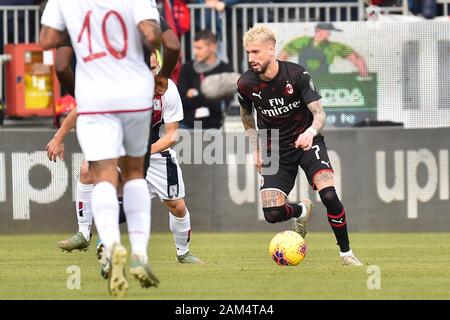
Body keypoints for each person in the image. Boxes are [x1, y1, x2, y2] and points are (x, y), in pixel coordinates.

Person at [40, 0, 162, 296]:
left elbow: (49, 45)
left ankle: (111, 244)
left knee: (100, 174)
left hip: (96, 98)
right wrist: (161, 71)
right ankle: (140, 255)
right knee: (134, 175)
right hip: (135, 95)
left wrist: (77, 26)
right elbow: (156, 37)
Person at [47, 51, 204, 277]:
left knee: (177, 206)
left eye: (151, 68)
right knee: (88, 171)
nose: (148, 74)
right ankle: (87, 236)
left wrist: (141, 153)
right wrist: (58, 137)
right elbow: (83, 106)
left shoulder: (167, 89)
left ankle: (183, 252)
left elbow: (171, 136)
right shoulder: (117, 84)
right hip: (119, 150)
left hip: (155, 152)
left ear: (158, 65)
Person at [237, 25, 363, 266]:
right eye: (248, 53)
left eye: (256, 52)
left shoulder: (296, 75)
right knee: (272, 214)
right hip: (274, 149)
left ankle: (346, 254)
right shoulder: (245, 84)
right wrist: (256, 149)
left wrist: (311, 132)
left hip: (307, 142)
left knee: (328, 194)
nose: (251, 58)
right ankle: (302, 211)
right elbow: (246, 117)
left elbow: (319, 113)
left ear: (271, 50)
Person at [178, 29, 234, 129]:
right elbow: (180, 102)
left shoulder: (226, 70)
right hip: (187, 125)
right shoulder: (187, 68)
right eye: (195, 48)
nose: (195, 52)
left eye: (199, 48)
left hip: (213, 127)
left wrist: (196, 94)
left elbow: (221, 105)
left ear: (212, 47)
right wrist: (211, 97)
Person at [277, 22, 368, 78]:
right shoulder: (303, 41)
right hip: (302, 82)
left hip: (324, 82)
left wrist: (363, 74)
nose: (329, 34)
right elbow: (282, 56)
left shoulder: (333, 47)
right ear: (318, 31)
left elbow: (355, 58)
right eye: (327, 31)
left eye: (329, 32)